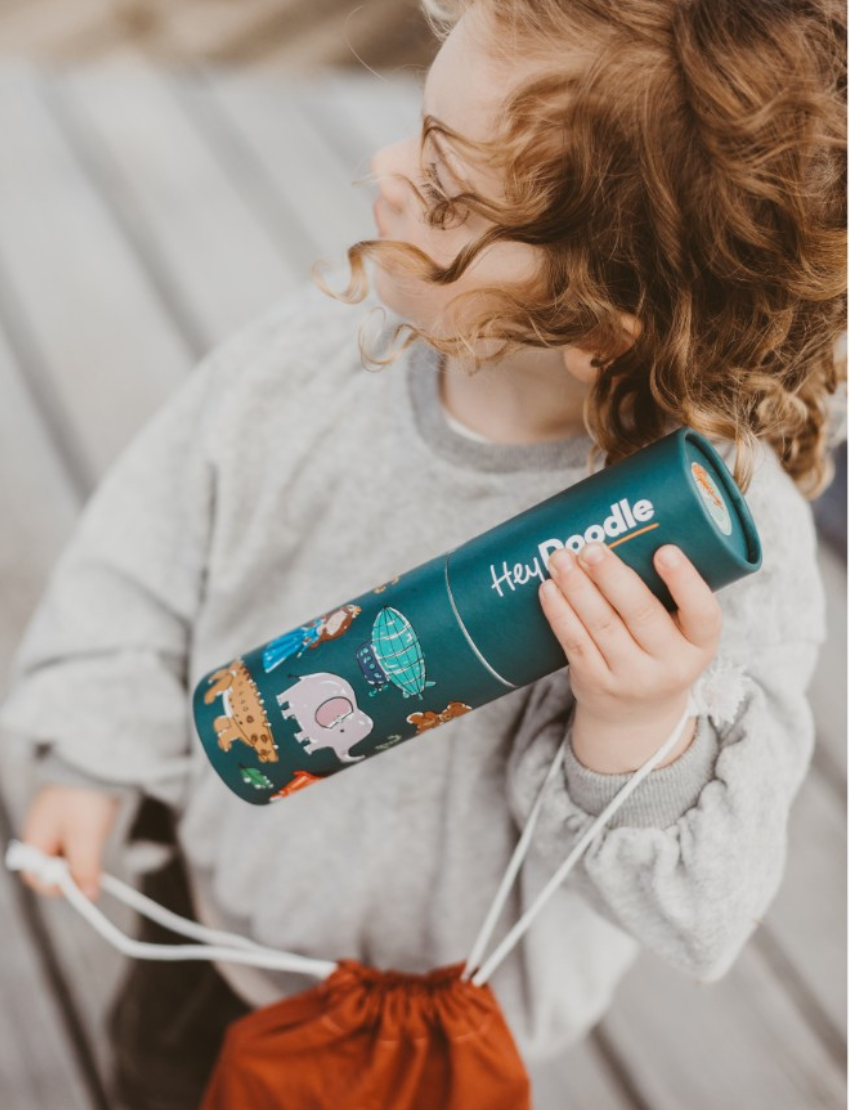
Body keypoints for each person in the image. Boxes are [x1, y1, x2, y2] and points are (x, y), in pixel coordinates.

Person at [2, 0, 845, 1107]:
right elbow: (154, 539)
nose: (385, 166)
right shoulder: (314, 363)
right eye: (418, 125)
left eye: (445, 185)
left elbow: (702, 917)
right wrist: (93, 752)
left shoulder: (709, 552)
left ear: (603, 318)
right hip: (221, 947)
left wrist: (638, 725)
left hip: (454, 1039)